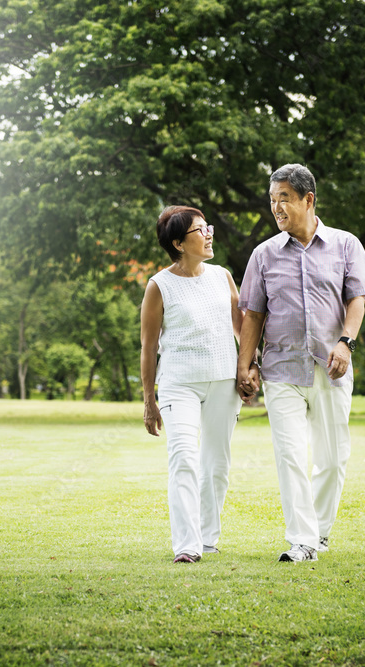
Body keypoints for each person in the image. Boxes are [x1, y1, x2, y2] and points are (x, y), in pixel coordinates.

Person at [236, 163, 365, 563]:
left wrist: (346, 343)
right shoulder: (263, 255)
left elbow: (357, 300)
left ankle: (320, 533)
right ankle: (302, 540)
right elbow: (253, 316)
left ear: (308, 199)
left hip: (330, 368)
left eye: (284, 198)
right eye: (272, 200)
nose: (276, 208)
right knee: (291, 456)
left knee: (333, 459)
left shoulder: (346, 245)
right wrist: (244, 366)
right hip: (281, 370)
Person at [140, 206, 254, 563]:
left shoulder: (222, 276)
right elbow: (149, 346)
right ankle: (186, 546)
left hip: (223, 381)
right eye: (199, 230)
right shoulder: (159, 285)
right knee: (185, 458)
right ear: (178, 242)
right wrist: (148, 400)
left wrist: (248, 368)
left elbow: (240, 328)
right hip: (178, 384)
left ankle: (207, 537)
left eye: (208, 228)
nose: (208, 235)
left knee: (216, 463)